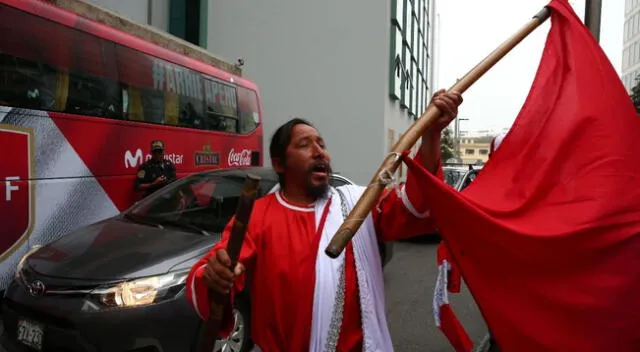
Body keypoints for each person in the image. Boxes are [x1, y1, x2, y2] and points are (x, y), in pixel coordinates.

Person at [186, 89, 463, 351]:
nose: (320, 152)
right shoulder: (258, 216)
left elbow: (415, 204)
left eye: (322, 144)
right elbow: (212, 272)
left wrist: (431, 134)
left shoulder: (357, 204)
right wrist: (214, 276)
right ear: (280, 164)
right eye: (305, 145)